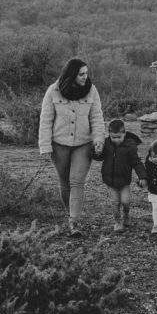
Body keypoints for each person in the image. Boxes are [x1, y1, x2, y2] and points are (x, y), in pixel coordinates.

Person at [38, 58, 106, 237]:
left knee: (77, 181)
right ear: (71, 74)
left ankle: (73, 222)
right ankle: (70, 213)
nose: (85, 77)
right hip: (59, 145)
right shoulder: (53, 91)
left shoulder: (92, 91)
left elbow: (97, 117)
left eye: (86, 73)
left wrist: (99, 138)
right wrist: (45, 147)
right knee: (65, 182)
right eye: (81, 74)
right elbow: (46, 120)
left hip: (83, 144)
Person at [96, 118, 147, 232]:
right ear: (109, 134)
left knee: (125, 201)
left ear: (124, 133)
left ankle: (126, 214)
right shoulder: (106, 144)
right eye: (113, 137)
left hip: (124, 180)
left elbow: (136, 162)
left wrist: (142, 176)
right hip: (110, 180)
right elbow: (99, 157)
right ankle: (117, 222)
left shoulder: (130, 146)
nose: (116, 140)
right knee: (115, 202)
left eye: (119, 137)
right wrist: (96, 151)